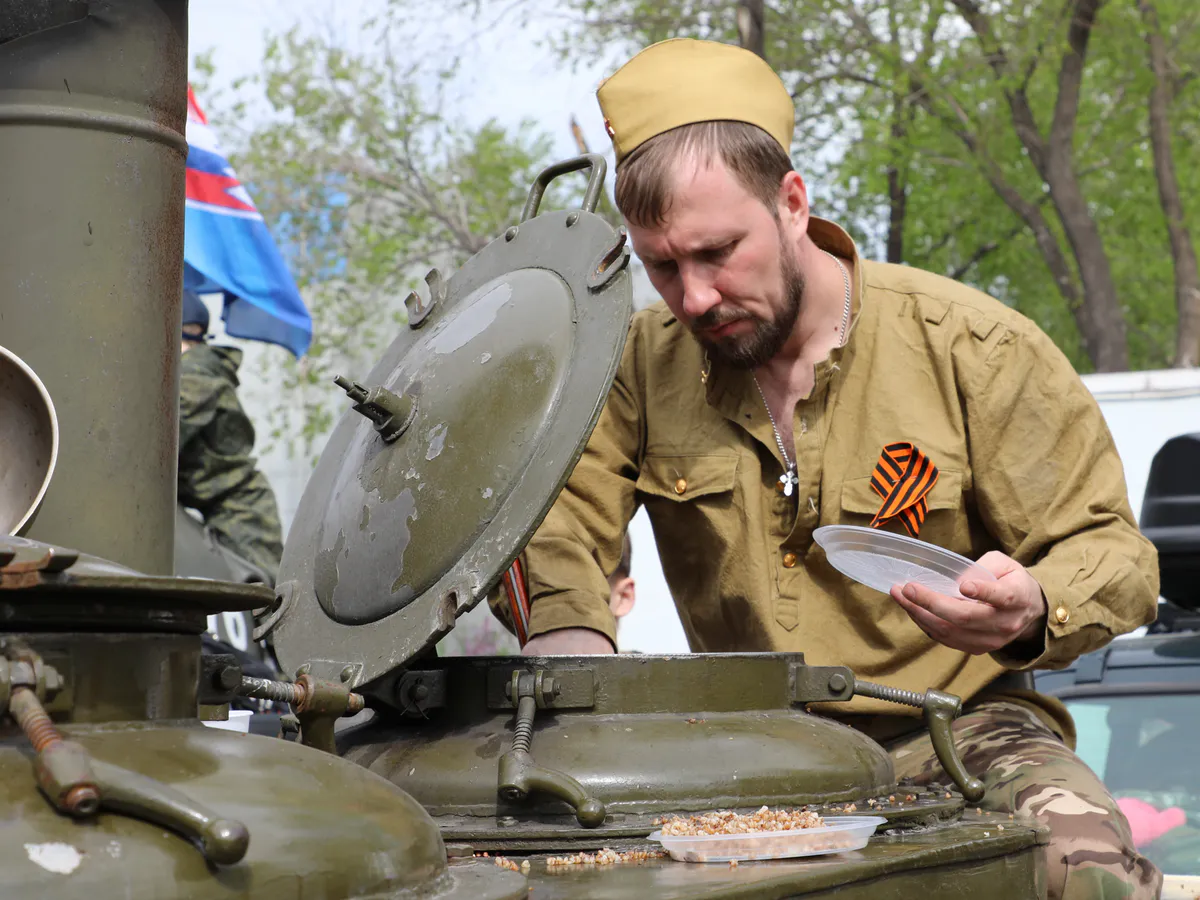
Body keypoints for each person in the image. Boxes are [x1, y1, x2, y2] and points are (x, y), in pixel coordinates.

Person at [489, 38, 1161, 899]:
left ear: (793, 205)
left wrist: (1031, 604)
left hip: (958, 731)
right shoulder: (633, 367)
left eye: (718, 251)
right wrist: (570, 649)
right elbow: (558, 531)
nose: (692, 298)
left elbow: (1115, 555)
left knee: (1084, 867)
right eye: (662, 266)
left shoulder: (972, 349)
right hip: (742, 744)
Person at [178, 290, 284, 584]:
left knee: (260, 606)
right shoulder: (197, 368)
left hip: (240, 512)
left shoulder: (194, 372)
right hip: (223, 509)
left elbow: (155, 438)